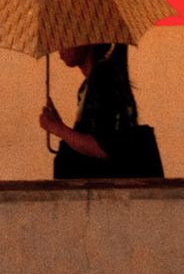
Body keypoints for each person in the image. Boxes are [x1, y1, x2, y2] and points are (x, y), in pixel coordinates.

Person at [39, 42, 162, 179]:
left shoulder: (105, 80)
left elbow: (104, 147)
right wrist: (58, 125)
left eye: (68, 38)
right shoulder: (88, 86)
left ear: (86, 40)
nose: (59, 49)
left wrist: (58, 128)